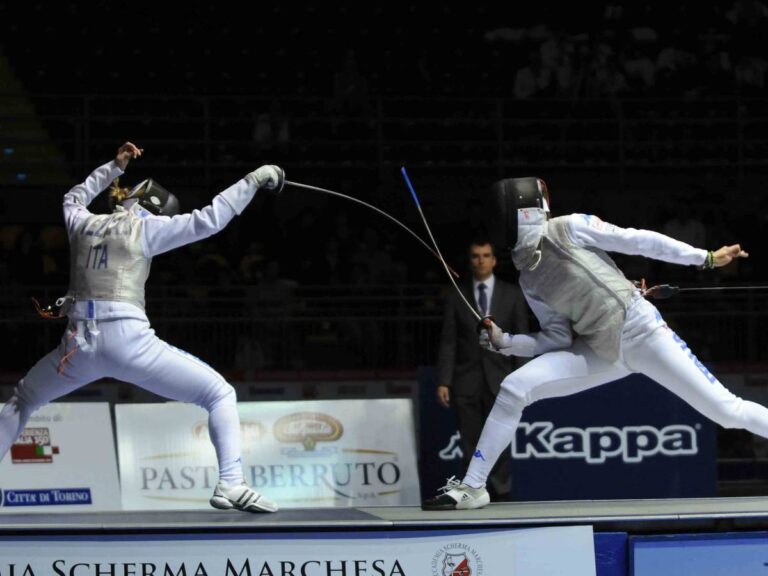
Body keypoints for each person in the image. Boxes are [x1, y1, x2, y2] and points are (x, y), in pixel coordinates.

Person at [423, 176, 759, 510]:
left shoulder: (567, 227)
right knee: (515, 386)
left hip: (642, 332)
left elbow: (637, 240)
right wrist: (506, 341)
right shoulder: (529, 277)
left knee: (728, 411)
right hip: (602, 351)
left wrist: (705, 258)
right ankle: (473, 486)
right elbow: (556, 337)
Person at [0, 142, 284, 513]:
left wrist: (113, 168)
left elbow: (72, 197)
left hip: (77, 346)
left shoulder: (82, 222)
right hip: (128, 340)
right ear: (155, 211)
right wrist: (254, 179)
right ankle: (231, 483)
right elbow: (211, 218)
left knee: (23, 399)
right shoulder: (146, 229)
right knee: (219, 394)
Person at [435, 240, 529, 500]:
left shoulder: (512, 294)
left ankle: (501, 492)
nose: (481, 260)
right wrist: (444, 380)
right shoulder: (457, 295)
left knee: (499, 440)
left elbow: (521, 337)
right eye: (476, 256)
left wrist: (522, 379)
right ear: (470, 260)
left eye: (486, 255)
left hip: (502, 378)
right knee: (469, 440)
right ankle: (470, 491)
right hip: (466, 379)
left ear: (494, 260)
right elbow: (449, 340)